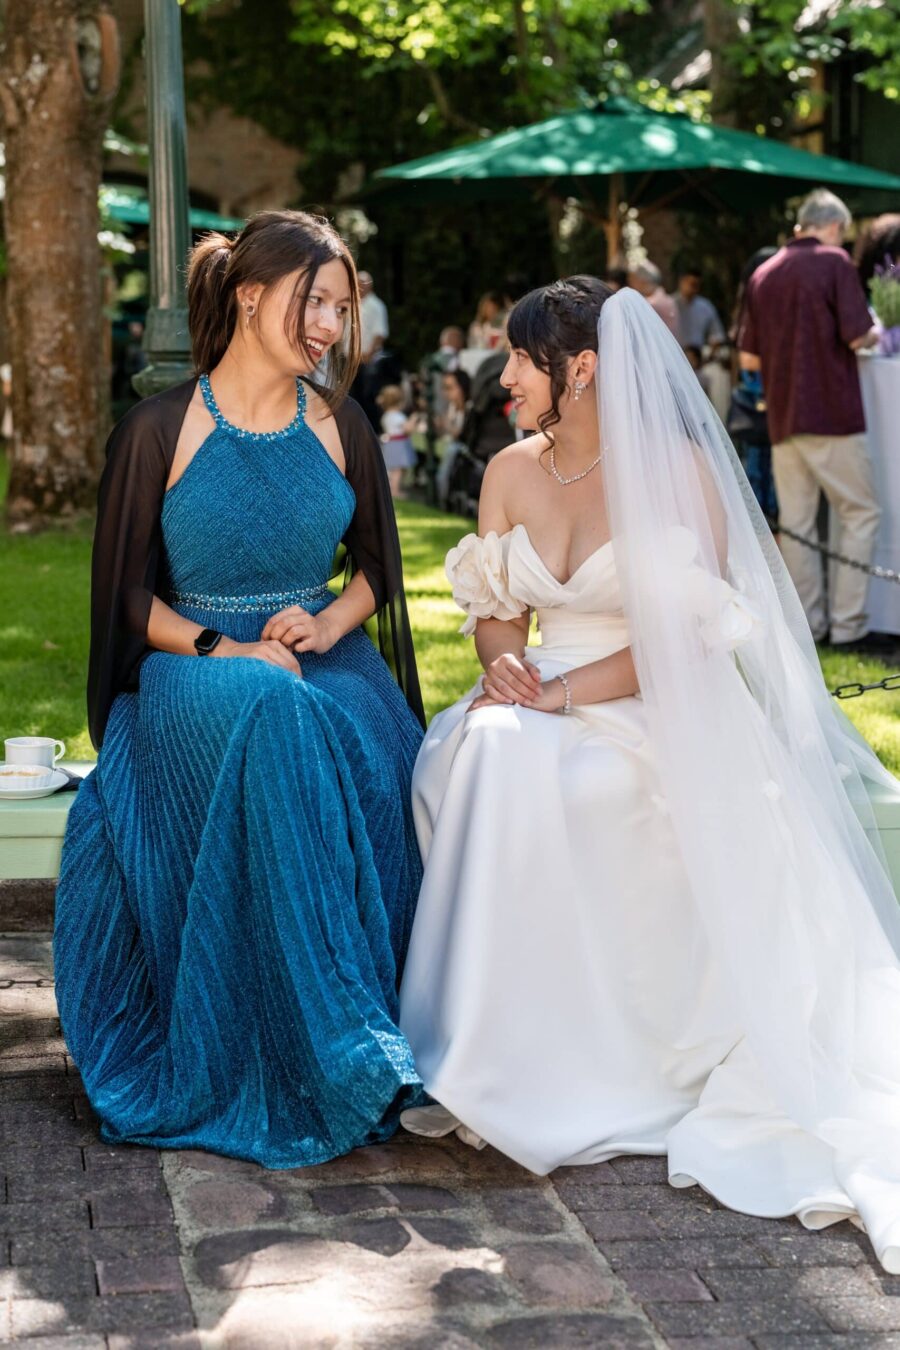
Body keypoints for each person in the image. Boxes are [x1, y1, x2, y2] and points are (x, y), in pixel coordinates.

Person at [399, 275, 900, 1275]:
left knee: (556, 774)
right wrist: (505, 659)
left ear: (578, 369)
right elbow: (499, 605)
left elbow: (686, 644)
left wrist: (567, 693)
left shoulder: (677, 473)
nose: (502, 378)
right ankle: (488, 1061)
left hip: (648, 701)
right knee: (485, 755)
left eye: (518, 360)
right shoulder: (507, 470)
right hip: (534, 692)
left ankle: (588, 1065)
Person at [54, 211, 426, 1168]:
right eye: (317, 303)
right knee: (274, 707)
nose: (332, 327)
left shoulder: (342, 425)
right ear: (252, 295)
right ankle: (341, 1045)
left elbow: (379, 572)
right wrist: (227, 648)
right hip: (193, 668)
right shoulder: (157, 429)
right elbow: (125, 597)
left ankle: (353, 1024)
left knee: (336, 730)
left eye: (343, 308)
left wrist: (327, 624)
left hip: (322, 657)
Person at [738, 189, 880, 650]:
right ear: (835, 226)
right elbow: (858, 336)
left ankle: (810, 627)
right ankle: (849, 625)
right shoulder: (836, 262)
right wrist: (879, 330)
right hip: (832, 411)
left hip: (782, 415)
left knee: (798, 526)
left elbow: (749, 358)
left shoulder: (764, 272)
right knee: (858, 513)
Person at [671, 266, 726, 352]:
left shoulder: (706, 307)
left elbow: (717, 334)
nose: (693, 288)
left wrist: (711, 351)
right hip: (674, 354)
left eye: (697, 285)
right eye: (691, 284)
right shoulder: (669, 304)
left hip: (699, 357)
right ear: (681, 281)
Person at [377, 383, 416, 498]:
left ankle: (392, 488)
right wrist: (413, 420)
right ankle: (395, 491)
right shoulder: (398, 416)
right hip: (398, 444)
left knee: (393, 469)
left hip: (390, 443)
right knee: (397, 470)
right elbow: (407, 429)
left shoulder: (386, 416)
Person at [627, 260, 680, 338]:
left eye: (633, 279)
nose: (630, 283)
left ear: (643, 281)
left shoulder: (653, 304)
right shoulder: (664, 299)